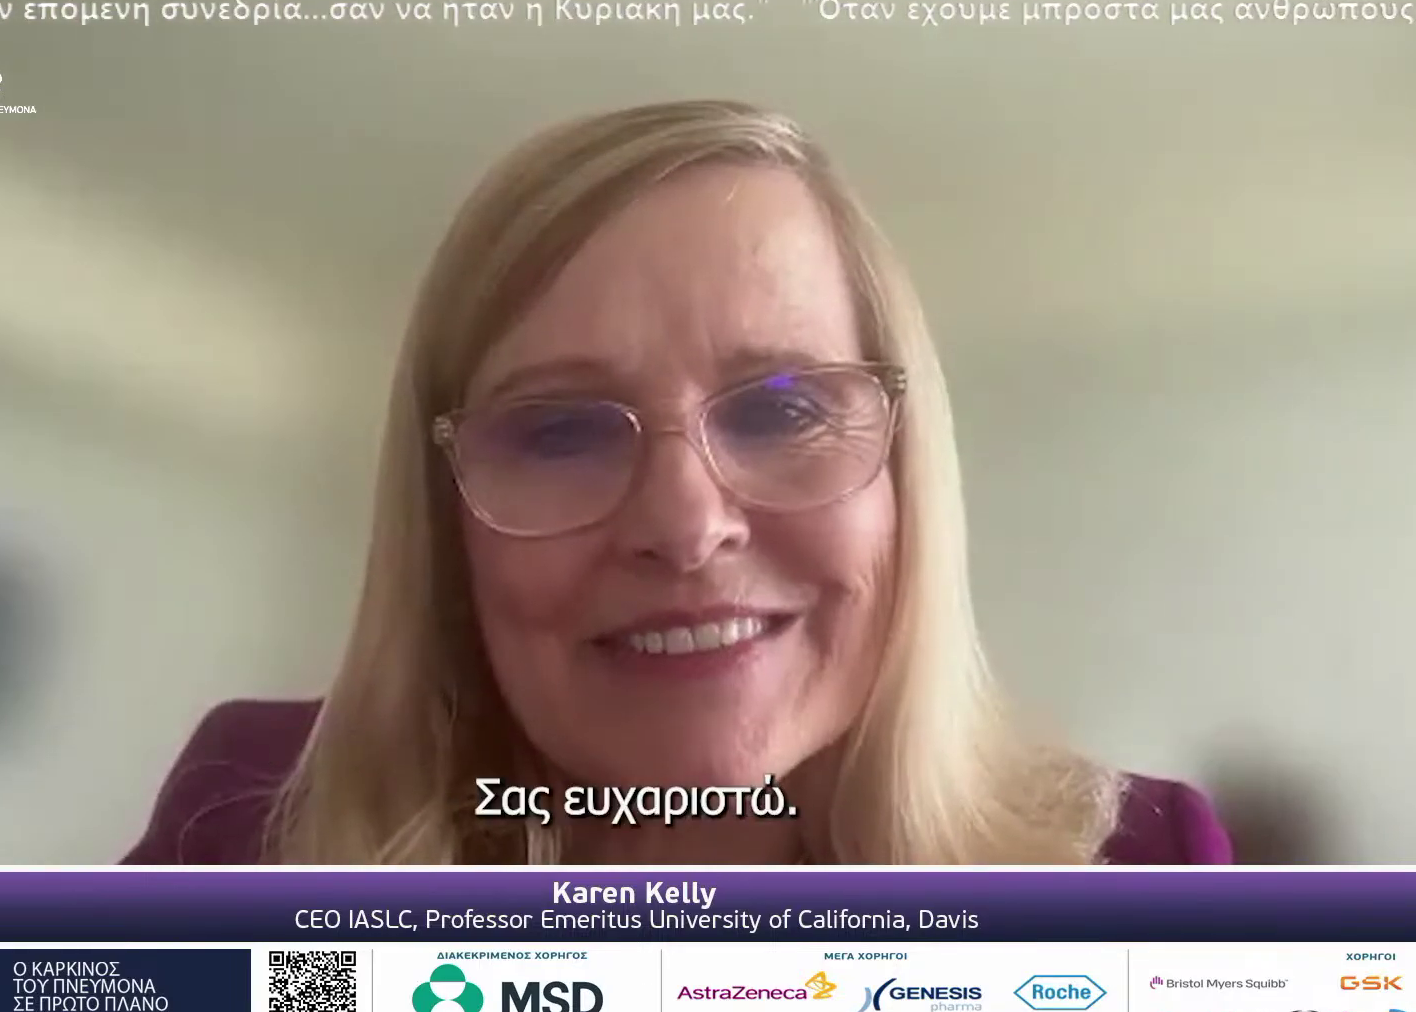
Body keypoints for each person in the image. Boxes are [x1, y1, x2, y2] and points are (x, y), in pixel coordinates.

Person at [122, 100, 1233, 866]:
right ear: (444, 512)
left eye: (783, 410)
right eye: (562, 431)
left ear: (908, 465)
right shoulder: (258, 816)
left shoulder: (1140, 874)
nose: (686, 526)